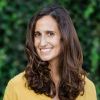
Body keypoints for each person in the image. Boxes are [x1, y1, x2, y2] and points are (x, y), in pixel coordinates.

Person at [3, 5, 97, 100]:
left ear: (65, 38)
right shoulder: (16, 86)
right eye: (37, 34)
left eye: (50, 34)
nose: (42, 42)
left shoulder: (87, 88)